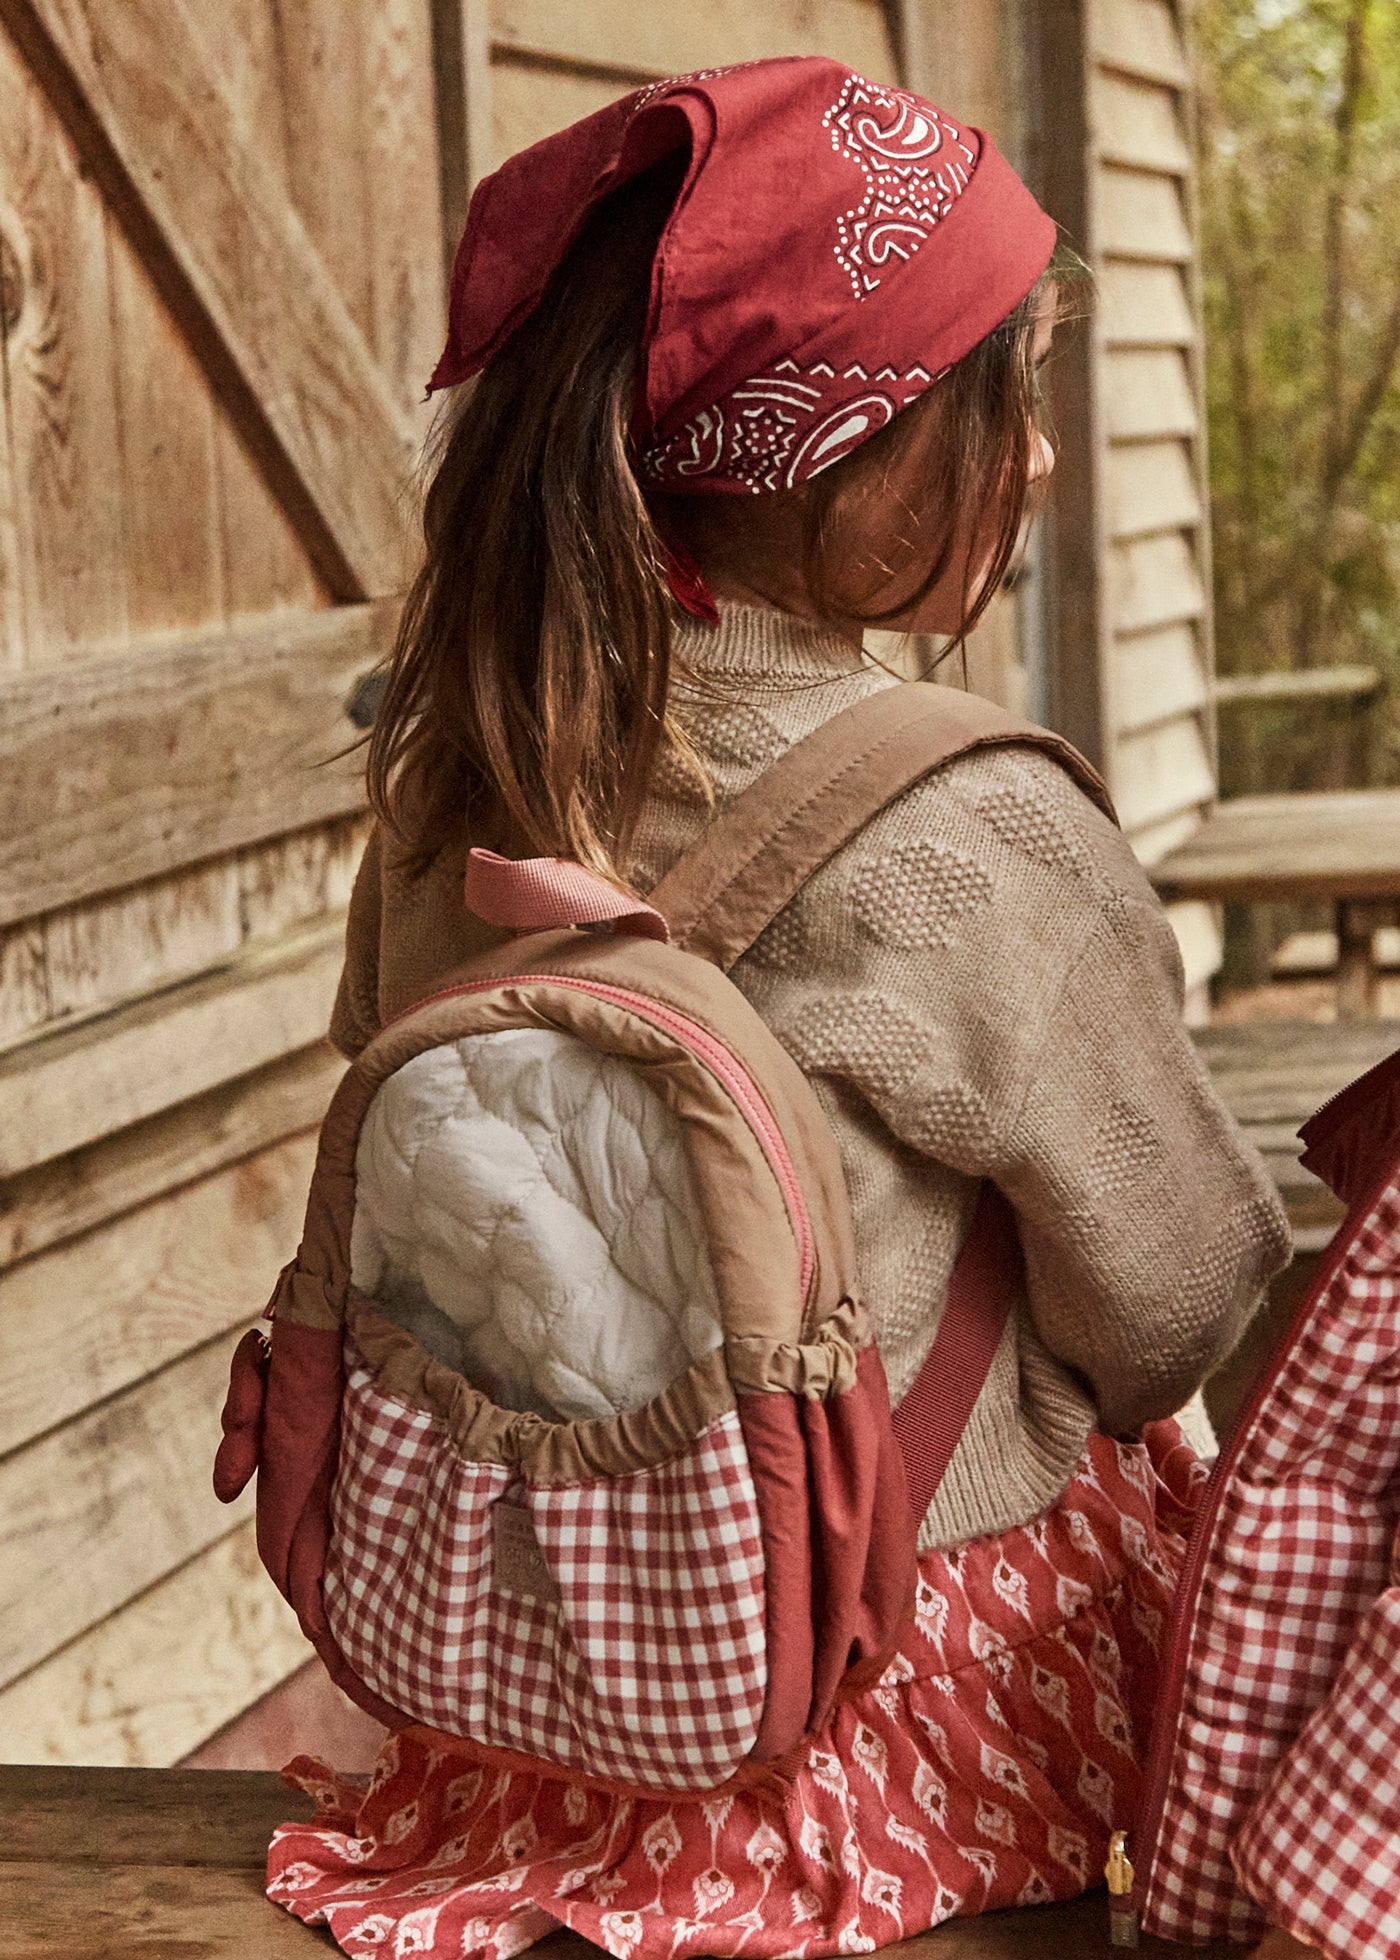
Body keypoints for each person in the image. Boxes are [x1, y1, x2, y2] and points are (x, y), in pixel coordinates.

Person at [267, 57, 1295, 1960]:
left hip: (542, 1684)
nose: (1039, 462)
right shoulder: (973, 828)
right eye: (1004, 401)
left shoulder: (465, 772)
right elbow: (1172, 1300)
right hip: (885, 1706)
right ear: (848, 451)